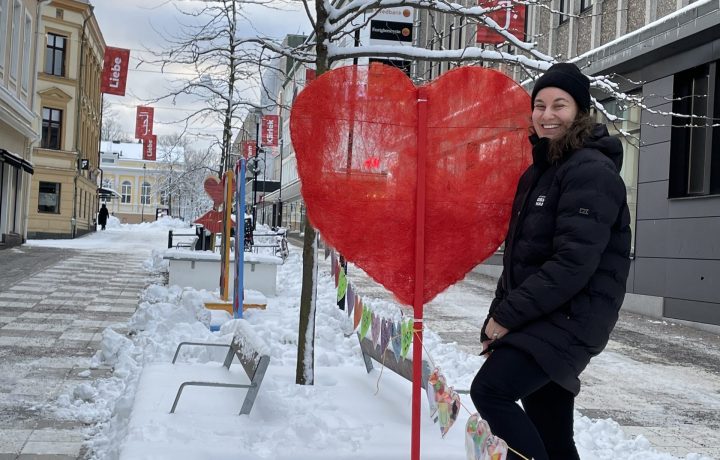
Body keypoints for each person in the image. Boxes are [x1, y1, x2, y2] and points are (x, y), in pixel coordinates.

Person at [470, 62, 631, 460]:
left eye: (559, 105)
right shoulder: (540, 172)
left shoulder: (591, 171)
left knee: (490, 391)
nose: (546, 115)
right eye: (539, 105)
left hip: (571, 317)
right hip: (545, 317)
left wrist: (507, 317)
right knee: (553, 435)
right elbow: (520, 258)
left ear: (579, 111)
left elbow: (572, 263)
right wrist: (497, 317)